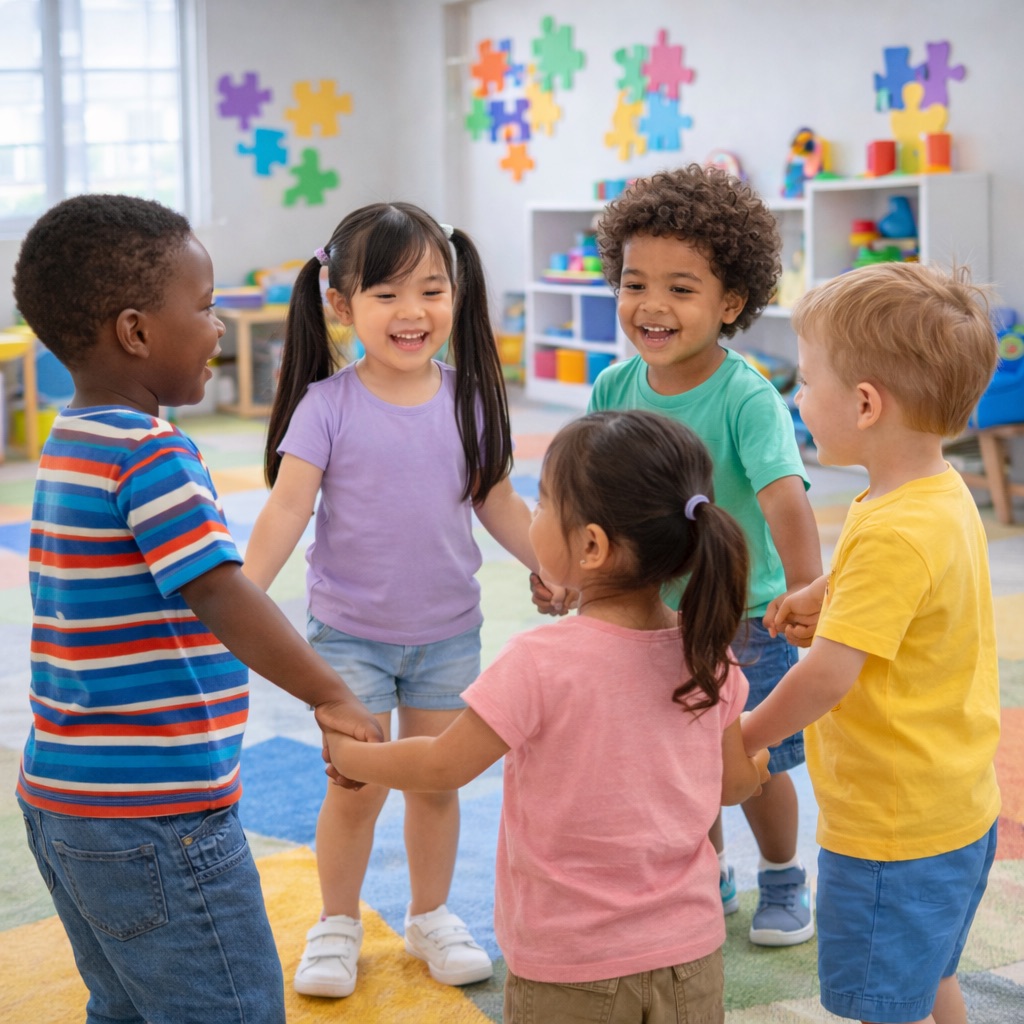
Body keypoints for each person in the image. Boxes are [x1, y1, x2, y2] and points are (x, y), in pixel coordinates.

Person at [12, 194, 382, 1024]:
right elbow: (220, 590)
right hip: (156, 812)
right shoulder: (151, 453)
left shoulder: (70, 441)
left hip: (64, 800)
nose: (220, 326)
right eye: (207, 306)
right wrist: (329, 692)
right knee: (233, 1008)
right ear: (137, 332)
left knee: (128, 1006)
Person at [326, 409, 772, 1024]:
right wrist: (758, 766)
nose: (532, 517)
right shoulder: (707, 654)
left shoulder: (539, 661)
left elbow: (440, 764)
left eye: (540, 502)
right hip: (690, 955)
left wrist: (353, 756)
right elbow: (731, 786)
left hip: (572, 965)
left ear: (590, 545)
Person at [242, 201, 553, 998]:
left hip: (449, 633)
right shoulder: (327, 406)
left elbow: (501, 506)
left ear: (455, 295)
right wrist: (241, 595)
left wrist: (564, 568)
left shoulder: (473, 399)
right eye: (385, 294)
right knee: (354, 786)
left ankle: (431, 913)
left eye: (430, 290)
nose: (412, 312)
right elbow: (286, 509)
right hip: (347, 638)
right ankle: (336, 922)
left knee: (437, 782)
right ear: (342, 306)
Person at [742, 262, 1001, 1024]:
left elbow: (826, 678)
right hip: (954, 809)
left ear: (863, 404)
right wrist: (824, 595)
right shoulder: (933, 492)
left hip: (891, 832)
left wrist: (749, 739)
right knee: (927, 981)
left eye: (807, 381)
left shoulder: (892, 528)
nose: (797, 397)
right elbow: (918, 593)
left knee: (885, 1007)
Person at [577, 164, 822, 946]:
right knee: (676, 763)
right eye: (634, 282)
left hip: (749, 614)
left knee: (751, 763)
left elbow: (786, 498)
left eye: (681, 289)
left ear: (731, 303)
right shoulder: (614, 385)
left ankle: (783, 873)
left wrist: (811, 593)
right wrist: (574, 579)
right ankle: (702, 871)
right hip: (653, 613)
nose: (652, 305)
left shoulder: (747, 395)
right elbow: (591, 499)